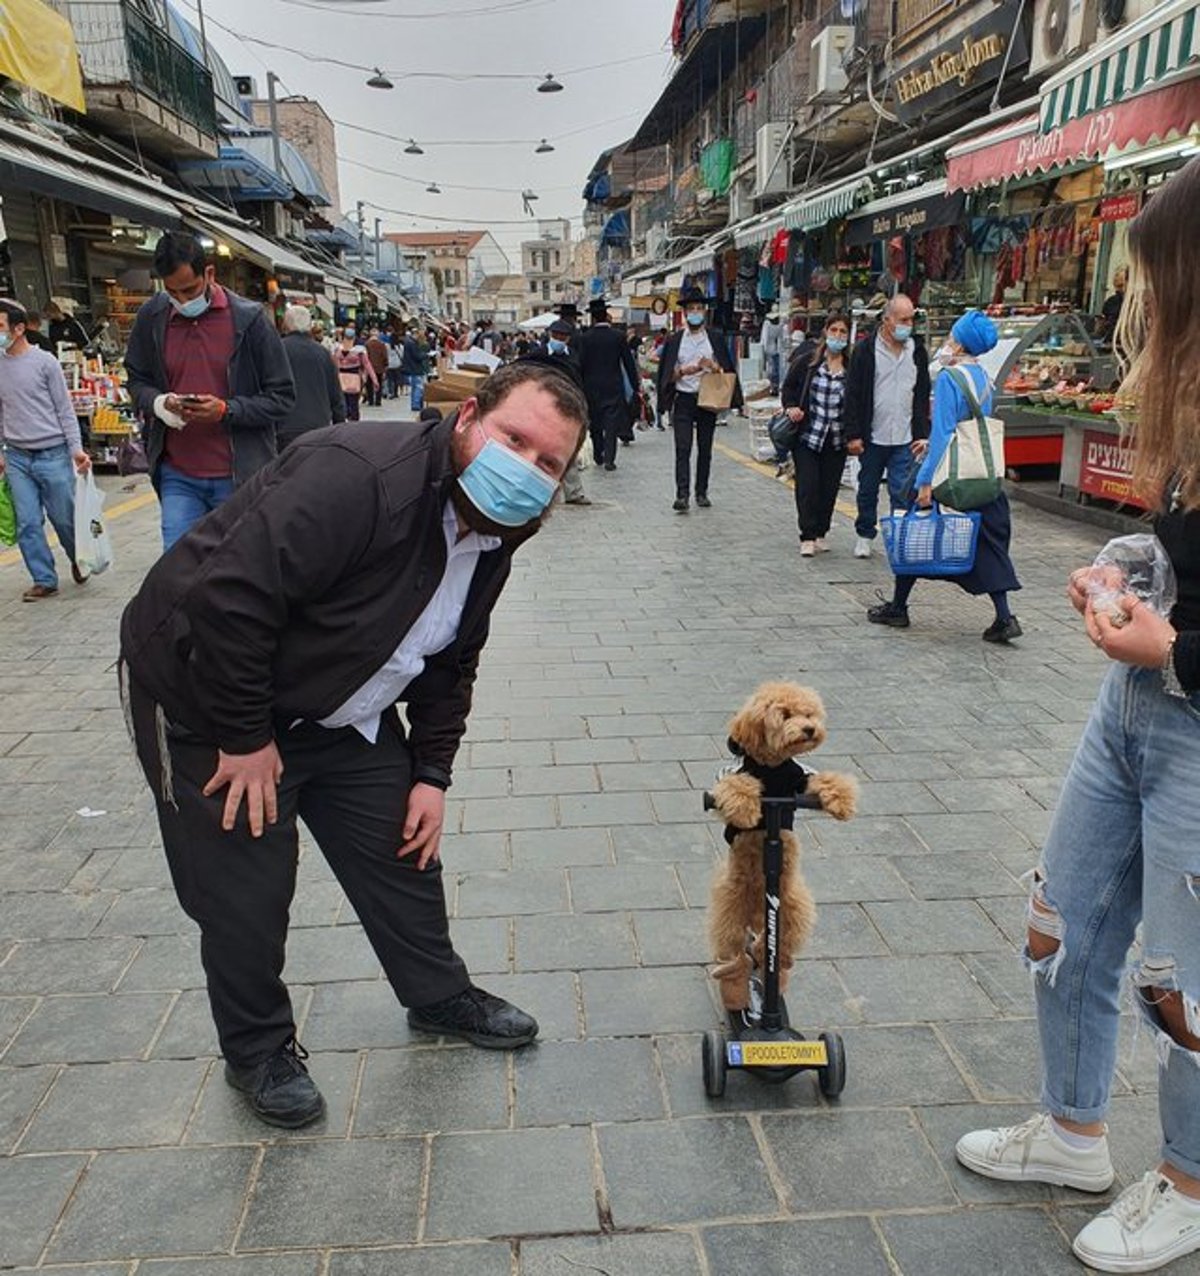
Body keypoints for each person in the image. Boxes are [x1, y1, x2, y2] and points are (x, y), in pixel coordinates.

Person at [118, 360, 589, 1129]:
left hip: (341, 710)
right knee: (246, 891)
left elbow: (451, 659)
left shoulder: (497, 528)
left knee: (402, 846)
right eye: (516, 440)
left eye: (548, 463)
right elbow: (229, 597)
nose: (526, 470)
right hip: (210, 698)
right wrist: (244, 737)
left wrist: (431, 773)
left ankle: (438, 994)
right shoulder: (359, 475)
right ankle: (259, 1051)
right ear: (467, 417)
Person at [956, 159, 1200, 1273]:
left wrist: (1180, 647)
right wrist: (1127, 565)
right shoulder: (1189, 396)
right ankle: (1070, 1133)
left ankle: (1191, 1181)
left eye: (1155, 279)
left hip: (1193, 721)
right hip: (1131, 707)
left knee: (1186, 983)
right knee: (1063, 920)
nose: (1139, 303)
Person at [124, 233, 295, 551]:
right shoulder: (153, 316)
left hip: (239, 477)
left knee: (238, 570)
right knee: (176, 572)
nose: (182, 301)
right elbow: (136, 379)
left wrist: (226, 410)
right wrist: (159, 403)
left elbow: (282, 398)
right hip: (177, 474)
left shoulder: (251, 320)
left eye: (189, 290)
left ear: (210, 274)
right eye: (172, 292)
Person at [866, 310, 1021, 643]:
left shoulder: (951, 378)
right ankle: (1004, 616)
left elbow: (945, 433)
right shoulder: (984, 378)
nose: (949, 340)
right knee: (988, 541)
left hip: (949, 477)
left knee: (913, 530)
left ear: (961, 341)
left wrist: (924, 480)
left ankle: (898, 606)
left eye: (953, 334)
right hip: (981, 474)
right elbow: (968, 427)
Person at [0, 298, 92, 601]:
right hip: (17, 455)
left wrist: (75, 449)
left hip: (52, 452)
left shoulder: (45, 362)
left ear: (19, 328)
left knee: (64, 517)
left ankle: (79, 558)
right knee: (27, 521)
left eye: (0, 327)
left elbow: (65, 410)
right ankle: (44, 578)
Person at [844, 294, 931, 558]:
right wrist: (853, 434)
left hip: (905, 435)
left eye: (911, 320)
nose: (908, 325)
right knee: (867, 488)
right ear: (887, 319)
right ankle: (865, 534)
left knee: (902, 490)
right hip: (873, 436)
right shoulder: (865, 350)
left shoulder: (917, 351)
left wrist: (922, 434)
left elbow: (922, 393)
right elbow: (853, 394)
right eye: (903, 320)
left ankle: (898, 538)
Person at [656, 287, 742, 513]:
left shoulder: (714, 339)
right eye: (691, 309)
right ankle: (682, 494)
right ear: (684, 313)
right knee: (683, 448)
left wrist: (714, 367)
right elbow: (667, 375)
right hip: (683, 399)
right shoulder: (675, 341)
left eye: (699, 308)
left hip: (707, 398)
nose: (695, 312)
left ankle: (701, 491)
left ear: (704, 312)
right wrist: (685, 370)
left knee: (705, 447)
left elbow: (727, 370)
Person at [781, 313, 850, 556]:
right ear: (825, 333)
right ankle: (807, 534)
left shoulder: (851, 369)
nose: (838, 336)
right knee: (808, 486)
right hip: (808, 436)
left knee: (828, 488)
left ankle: (821, 531)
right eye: (834, 331)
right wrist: (791, 408)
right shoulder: (808, 363)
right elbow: (788, 387)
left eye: (843, 332)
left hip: (836, 439)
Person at [576, 298, 639, 473]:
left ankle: (598, 453)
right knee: (611, 422)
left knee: (595, 422)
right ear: (606, 316)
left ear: (593, 318)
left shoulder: (585, 338)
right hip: (613, 385)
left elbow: (580, 364)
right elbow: (628, 363)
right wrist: (635, 386)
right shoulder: (618, 336)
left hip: (591, 387)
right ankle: (610, 458)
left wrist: (580, 386)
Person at [537, 319, 590, 506]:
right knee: (541, 451)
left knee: (568, 450)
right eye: (556, 336)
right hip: (544, 409)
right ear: (550, 335)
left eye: (563, 337)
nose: (559, 339)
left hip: (568, 409)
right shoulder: (539, 355)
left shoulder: (573, 357)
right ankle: (539, 493)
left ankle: (574, 491)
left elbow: (580, 380)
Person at [277, 305, 345, 450]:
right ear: (309, 326)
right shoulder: (322, 353)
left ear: (285, 325)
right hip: (318, 428)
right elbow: (336, 396)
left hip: (284, 428)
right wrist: (339, 428)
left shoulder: (277, 350)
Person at [333, 326, 376, 422]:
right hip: (354, 377)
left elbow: (334, 365)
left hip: (341, 377)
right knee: (354, 403)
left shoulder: (337, 349)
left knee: (343, 402)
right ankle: (354, 421)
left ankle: (344, 419)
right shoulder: (359, 350)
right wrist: (374, 379)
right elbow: (367, 364)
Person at [401, 324, 429, 412]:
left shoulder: (407, 342)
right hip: (416, 368)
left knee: (414, 387)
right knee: (418, 387)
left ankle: (414, 403)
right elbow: (417, 356)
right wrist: (426, 355)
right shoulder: (412, 343)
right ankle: (416, 404)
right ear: (416, 334)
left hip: (411, 368)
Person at [1100, 266, 1128, 342]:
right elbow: (1103, 324)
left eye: (1122, 285)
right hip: (1112, 339)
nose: (1119, 290)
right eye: (1117, 286)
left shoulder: (1139, 303)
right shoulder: (1111, 302)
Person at [363, 329, 389, 408]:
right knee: (379, 384)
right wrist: (385, 365)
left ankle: (370, 400)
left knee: (369, 384)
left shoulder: (367, 344)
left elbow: (365, 356)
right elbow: (385, 356)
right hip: (379, 368)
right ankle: (378, 401)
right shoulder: (381, 344)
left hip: (369, 368)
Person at [760, 310, 785, 394]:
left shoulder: (767, 324)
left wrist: (763, 349)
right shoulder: (780, 324)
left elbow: (765, 339)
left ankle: (772, 387)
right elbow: (781, 338)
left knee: (771, 369)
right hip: (776, 349)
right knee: (774, 369)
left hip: (770, 349)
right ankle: (774, 387)